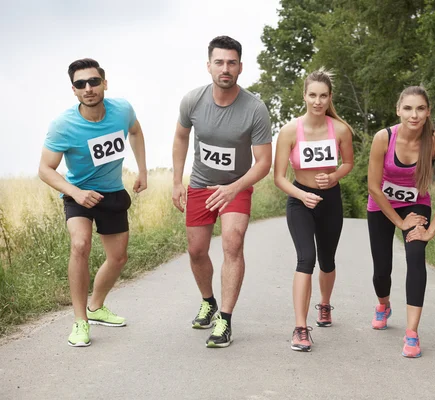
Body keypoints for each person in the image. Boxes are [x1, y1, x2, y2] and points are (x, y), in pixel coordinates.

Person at [38, 58, 148, 347]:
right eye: (80, 84)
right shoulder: (63, 125)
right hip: (79, 194)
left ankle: (96, 307)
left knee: (119, 258)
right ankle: (80, 321)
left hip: (112, 192)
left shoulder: (122, 109)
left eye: (93, 81)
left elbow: (135, 131)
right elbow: (45, 169)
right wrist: (74, 193)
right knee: (80, 245)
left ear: (104, 83)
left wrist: (143, 170)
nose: (88, 88)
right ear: (73, 90)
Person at [172, 36, 272, 348]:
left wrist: (233, 188)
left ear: (240, 66)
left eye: (231, 62)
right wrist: (177, 181)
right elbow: (180, 138)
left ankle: (225, 320)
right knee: (196, 250)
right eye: (219, 62)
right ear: (209, 66)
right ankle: (208, 301)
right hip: (201, 185)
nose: (225, 68)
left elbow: (264, 163)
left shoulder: (255, 109)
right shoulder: (193, 101)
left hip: (236, 187)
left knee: (232, 243)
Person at [367, 86, 435, 358]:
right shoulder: (383, 138)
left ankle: (412, 332)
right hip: (382, 204)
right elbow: (373, 187)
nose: (414, 115)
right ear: (398, 110)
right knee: (382, 271)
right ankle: (383, 305)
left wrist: (429, 230)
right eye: (408, 108)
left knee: (415, 256)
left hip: (417, 204)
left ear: (428, 111)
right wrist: (399, 222)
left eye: (420, 108)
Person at [273, 69, 354, 352]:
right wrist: (302, 194)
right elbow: (279, 177)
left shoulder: (340, 130)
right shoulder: (288, 131)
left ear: (330, 97)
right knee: (306, 258)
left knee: (327, 260)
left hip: (330, 201)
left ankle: (325, 304)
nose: (317, 101)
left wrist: (334, 177)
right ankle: (300, 327)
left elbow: (348, 164)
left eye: (323, 96)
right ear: (304, 96)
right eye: (312, 95)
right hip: (300, 201)